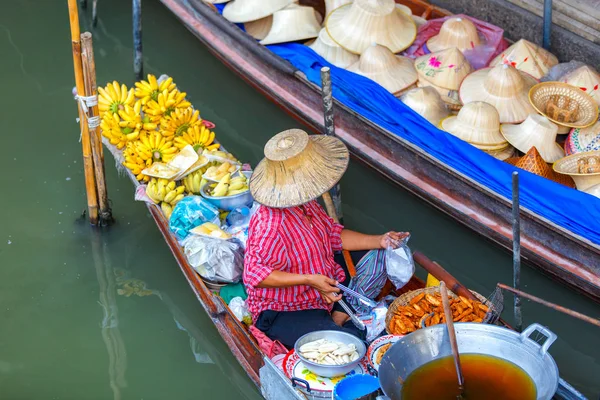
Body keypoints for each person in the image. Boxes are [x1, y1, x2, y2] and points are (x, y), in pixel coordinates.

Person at [244, 129, 409, 349]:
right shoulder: (270, 223)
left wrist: (380, 240)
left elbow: (333, 235)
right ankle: (340, 324)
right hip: (285, 307)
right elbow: (255, 274)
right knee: (340, 347)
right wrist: (309, 279)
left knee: (380, 257)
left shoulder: (306, 202)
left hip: (322, 282)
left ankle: (339, 316)